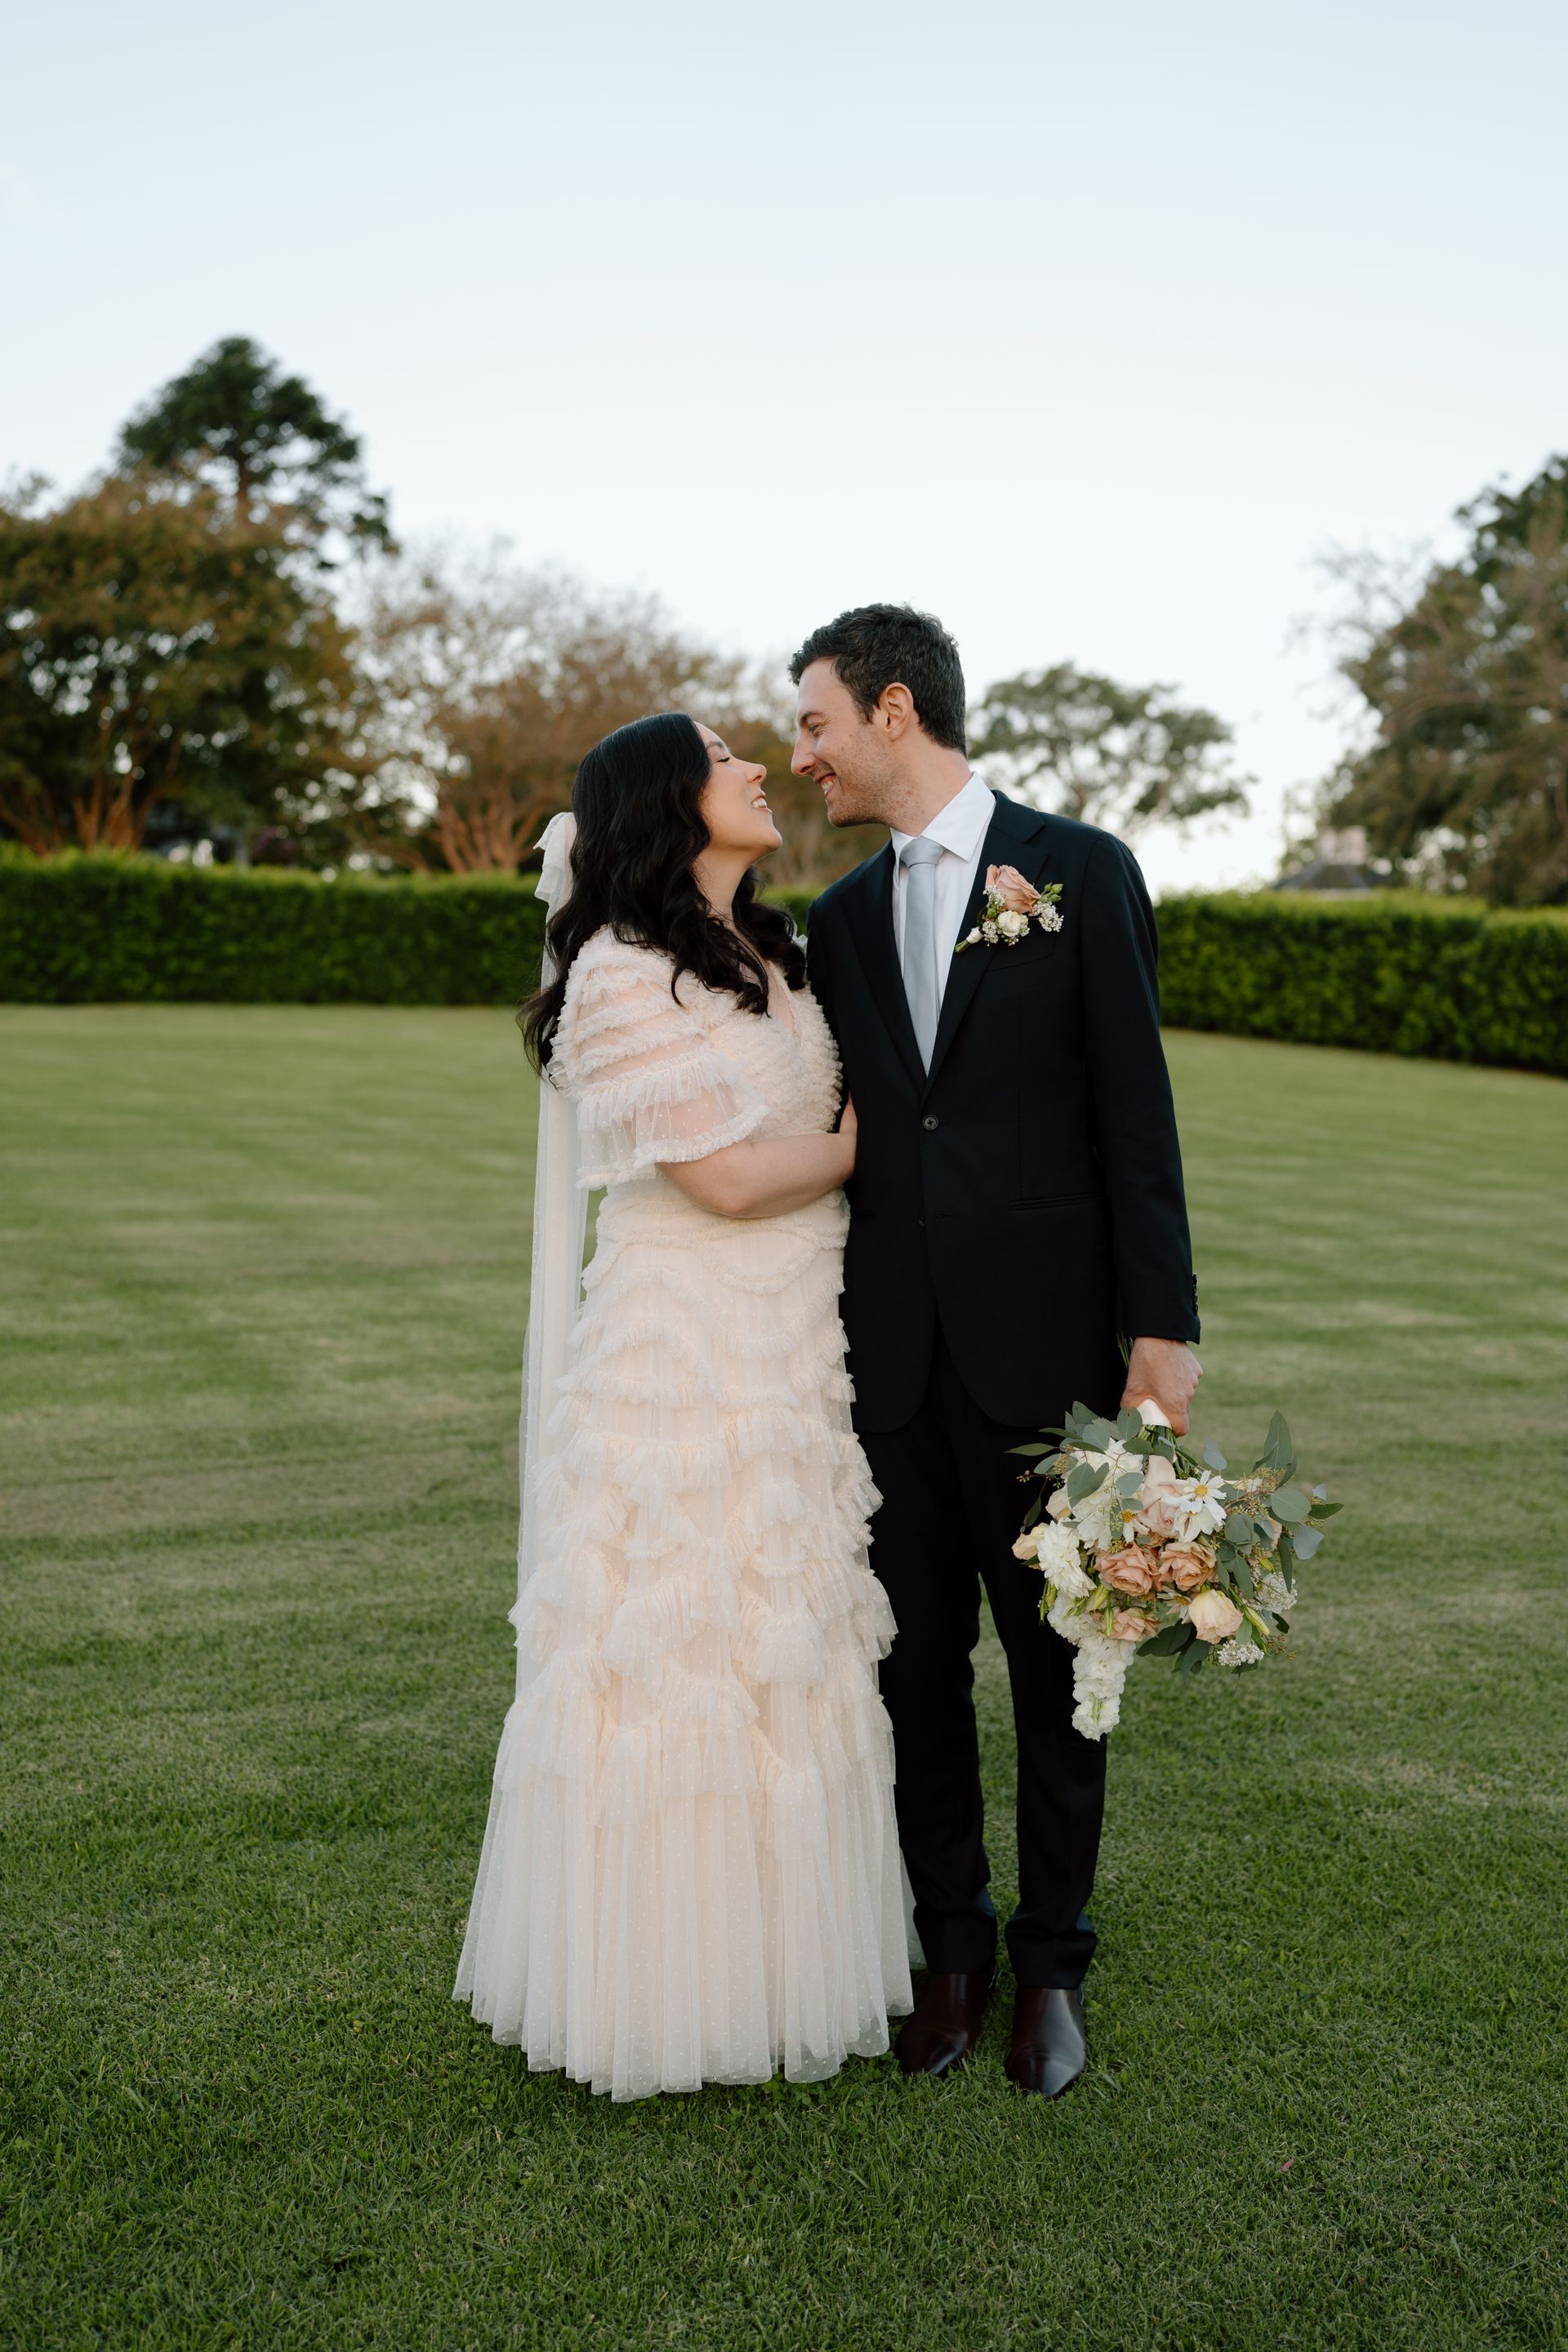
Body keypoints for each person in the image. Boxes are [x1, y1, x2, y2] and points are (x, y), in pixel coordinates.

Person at [454, 711, 911, 2101]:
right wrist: (863, 1147)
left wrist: (829, 1157)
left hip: (795, 1335)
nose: (764, 768)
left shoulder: (782, 953)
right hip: (685, 1342)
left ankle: (785, 1960)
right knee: (680, 1631)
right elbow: (715, 1183)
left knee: (788, 1626)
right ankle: (657, 1985)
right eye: (731, 757)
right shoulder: (616, 971)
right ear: (667, 799)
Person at [793, 605, 1201, 2098]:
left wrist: (1162, 1327)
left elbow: (1135, 1117)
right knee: (913, 1678)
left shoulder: (1079, 874)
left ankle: (1051, 1972)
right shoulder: (835, 922)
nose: (803, 756)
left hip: (1049, 1365)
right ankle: (949, 1958)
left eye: (817, 722)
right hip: (887, 1362)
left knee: (1054, 1674)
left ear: (895, 711)